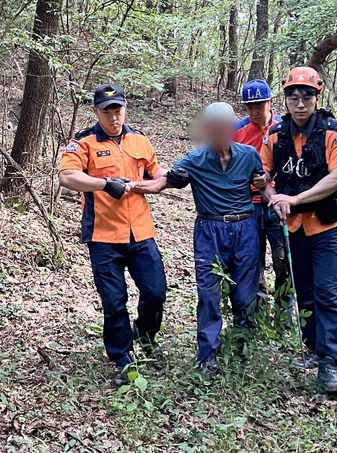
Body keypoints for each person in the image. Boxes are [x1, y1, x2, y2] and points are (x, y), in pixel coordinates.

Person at [136, 102, 262, 382]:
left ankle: (242, 349)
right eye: (213, 128)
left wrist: (273, 196)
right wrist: (127, 184)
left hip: (245, 229)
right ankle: (207, 357)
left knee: (244, 296)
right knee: (208, 295)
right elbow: (160, 184)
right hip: (210, 230)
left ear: (232, 129)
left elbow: (263, 186)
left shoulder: (249, 155)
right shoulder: (194, 159)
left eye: (224, 128)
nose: (219, 133)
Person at [58, 83, 169, 386]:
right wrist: (105, 183)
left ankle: (145, 335)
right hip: (104, 235)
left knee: (156, 292)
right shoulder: (83, 142)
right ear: (96, 112)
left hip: (141, 232)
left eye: (117, 109)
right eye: (106, 111)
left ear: (125, 108)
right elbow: (67, 176)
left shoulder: (140, 141)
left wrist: (170, 178)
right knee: (114, 300)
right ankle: (122, 357)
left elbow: (156, 172)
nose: (113, 116)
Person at [255, 66, 337, 397]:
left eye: (306, 97)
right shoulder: (274, 135)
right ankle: (312, 347)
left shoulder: (334, 132)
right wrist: (272, 197)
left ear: (317, 97)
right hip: (293, 226)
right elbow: (262, 178)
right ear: (285, 99)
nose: (300, 103)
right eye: (293, 97)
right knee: (306, 291)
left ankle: (329, 363)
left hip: (327, 225)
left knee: (327, 292)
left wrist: (293, 198)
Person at [233, 79, 289, 296]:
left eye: (259, 105)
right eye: (250, 107)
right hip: (248, 206)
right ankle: (258, 316)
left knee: (283, 260)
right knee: (252, 263)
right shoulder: (236, 131)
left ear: (270, 102)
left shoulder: (285, 126)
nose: (255, 111)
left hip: (279, 204)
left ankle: (284, 314)